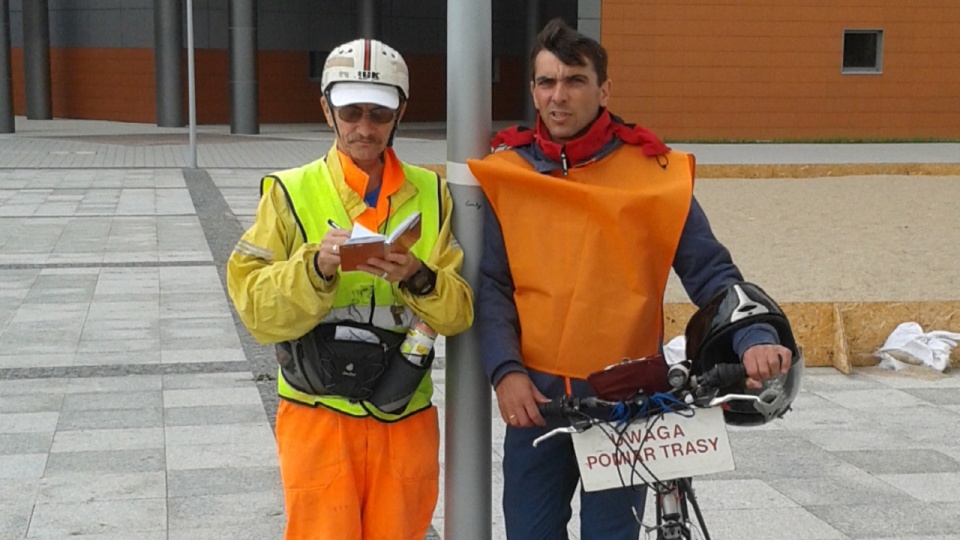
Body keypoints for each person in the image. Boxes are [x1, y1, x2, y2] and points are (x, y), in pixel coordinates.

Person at [467, 19, 794, 540]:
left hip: (626, 401)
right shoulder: (509, 174)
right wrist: (505, 372)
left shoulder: (653, 176)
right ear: (532, 89)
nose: (558, 96)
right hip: (538, 399)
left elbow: (712, 273)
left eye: (574, 80)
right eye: (546, 82)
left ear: (604, 89)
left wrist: (754, 337)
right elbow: (492, 287)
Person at [227, 38, 473, 540]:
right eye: (352, 111)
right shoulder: (289, 192)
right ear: (326, 109)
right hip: (318, 417)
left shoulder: (434, 193)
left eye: (379, 113)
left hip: (402, 412)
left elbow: (460, 312)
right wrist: (316, 266)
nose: (364, 127)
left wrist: (419, 277)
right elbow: (255, 310)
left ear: (400, 111)